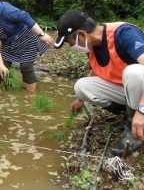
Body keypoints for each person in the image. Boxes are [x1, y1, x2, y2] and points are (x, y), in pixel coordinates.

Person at [54, 10, 144, 156]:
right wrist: (80, 99)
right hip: (130, 92)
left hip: (141, 94)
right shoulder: (92, 46)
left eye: (71, 43)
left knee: (135, 72)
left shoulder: (124, 34)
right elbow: (97, 69)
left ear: (82, 34)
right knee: (81, 86)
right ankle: (129, 117)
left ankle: (135, 129)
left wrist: (141, 111)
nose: (73, 48)